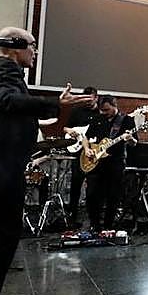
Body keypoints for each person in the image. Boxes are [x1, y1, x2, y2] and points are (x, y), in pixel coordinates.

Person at [0, 27, 92, 295]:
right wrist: (56, 104)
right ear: (14, 47)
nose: (35, 52)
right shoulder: (6, 69)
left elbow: (10, 106)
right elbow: (7, 100)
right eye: (32, 46)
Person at [83, 95, 137, 232]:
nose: (103, 113)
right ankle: (94, 224)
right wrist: (87, 149)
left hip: (115, 163)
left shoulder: (127, 120)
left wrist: (130, 139)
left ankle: (108, 226)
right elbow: (86, 137)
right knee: (91, 194)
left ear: (115, 106)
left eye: (106, 110)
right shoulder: (98, 118)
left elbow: (135, 143)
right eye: (101, 110)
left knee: (113, 196)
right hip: (96, 163)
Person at [64, 86, 98, 224]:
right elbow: (65, 127)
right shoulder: (76, 111)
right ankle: (72, 214)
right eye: (86, 99)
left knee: (92, 185)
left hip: (92, 152)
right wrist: (70, 131)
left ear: (96, 98)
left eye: (90, 99)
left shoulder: (100, 113)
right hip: (77, 151)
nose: (88, 102)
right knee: (75, 184)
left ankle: (92, 217)